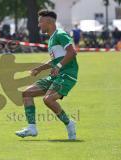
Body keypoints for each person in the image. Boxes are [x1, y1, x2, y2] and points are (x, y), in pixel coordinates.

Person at [15, 10, 78, 140]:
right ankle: (32, 128)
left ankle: (69, 123)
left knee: (48, 99)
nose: (39, 25)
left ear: (49, 22)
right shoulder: (52, 38)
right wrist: (39, 68)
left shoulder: (60, 34)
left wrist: (59, 66)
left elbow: (72, 52)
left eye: (41, 21)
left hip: (67, 75)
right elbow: (55, 59)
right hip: (56, 75)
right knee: (26, 93)